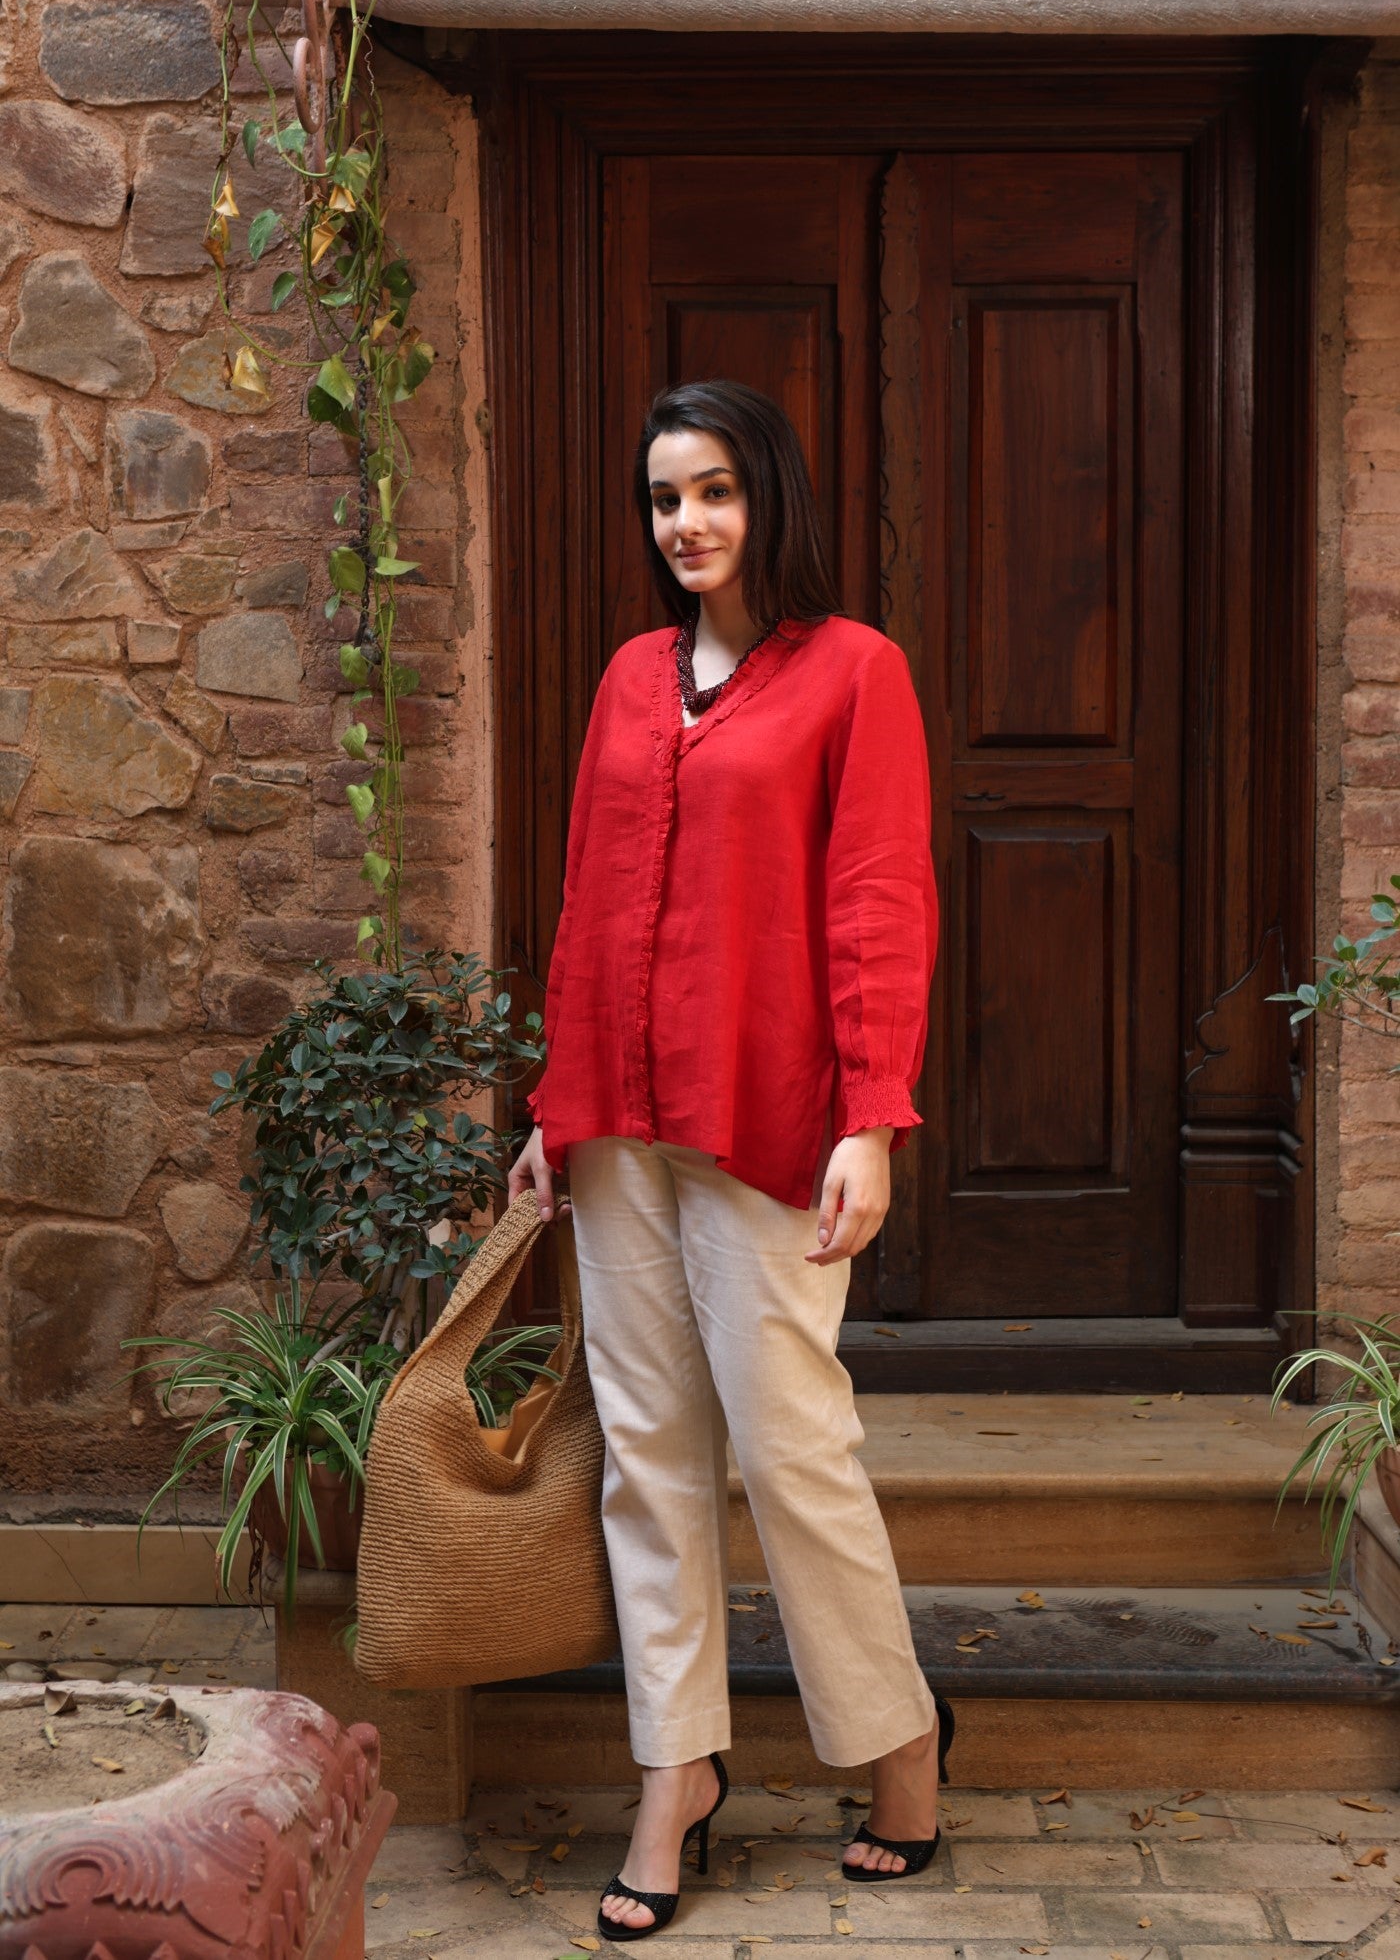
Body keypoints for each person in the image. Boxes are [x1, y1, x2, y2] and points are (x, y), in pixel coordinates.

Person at [508, 378, 953, 1943]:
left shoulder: (854, 674)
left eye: (713, 492)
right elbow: (582, 896)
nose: (686, 525)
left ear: (768, 497)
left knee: (793, 1450)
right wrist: (551, 1110)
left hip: (770, 1122)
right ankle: (673, 1770)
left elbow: (881, 902)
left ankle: (897, 1742)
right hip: (619, 1127)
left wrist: (870, 1118)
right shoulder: (632, 678)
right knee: (649, 1462)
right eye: (664, 501)